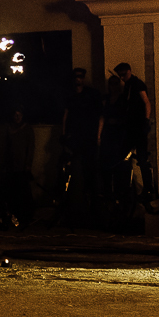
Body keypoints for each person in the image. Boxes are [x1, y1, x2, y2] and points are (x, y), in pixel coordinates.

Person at [102, 62, 154, 218]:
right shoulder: (128, 87)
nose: (122, 78)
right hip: (130, 128)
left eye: (124, 74)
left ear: (129, 71)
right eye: (120, 76)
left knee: (142, 159)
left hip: (138, 127)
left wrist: (146, 120)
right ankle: (126, 189)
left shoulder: (137, 84)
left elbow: (146, 102)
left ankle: (148, 189)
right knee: (124, 158)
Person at [61, 67, 103, 225]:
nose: (78, 79)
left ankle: (92, 210)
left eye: (80, 77)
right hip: (76, 139)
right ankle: (80, 209)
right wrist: (65, 135)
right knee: (77, 173)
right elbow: (66, 115)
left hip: (88, 139)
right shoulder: (71, 96)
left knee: (90, 172)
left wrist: (98, 136)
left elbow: (100, 115)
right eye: (76, 77)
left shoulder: (91, 95)